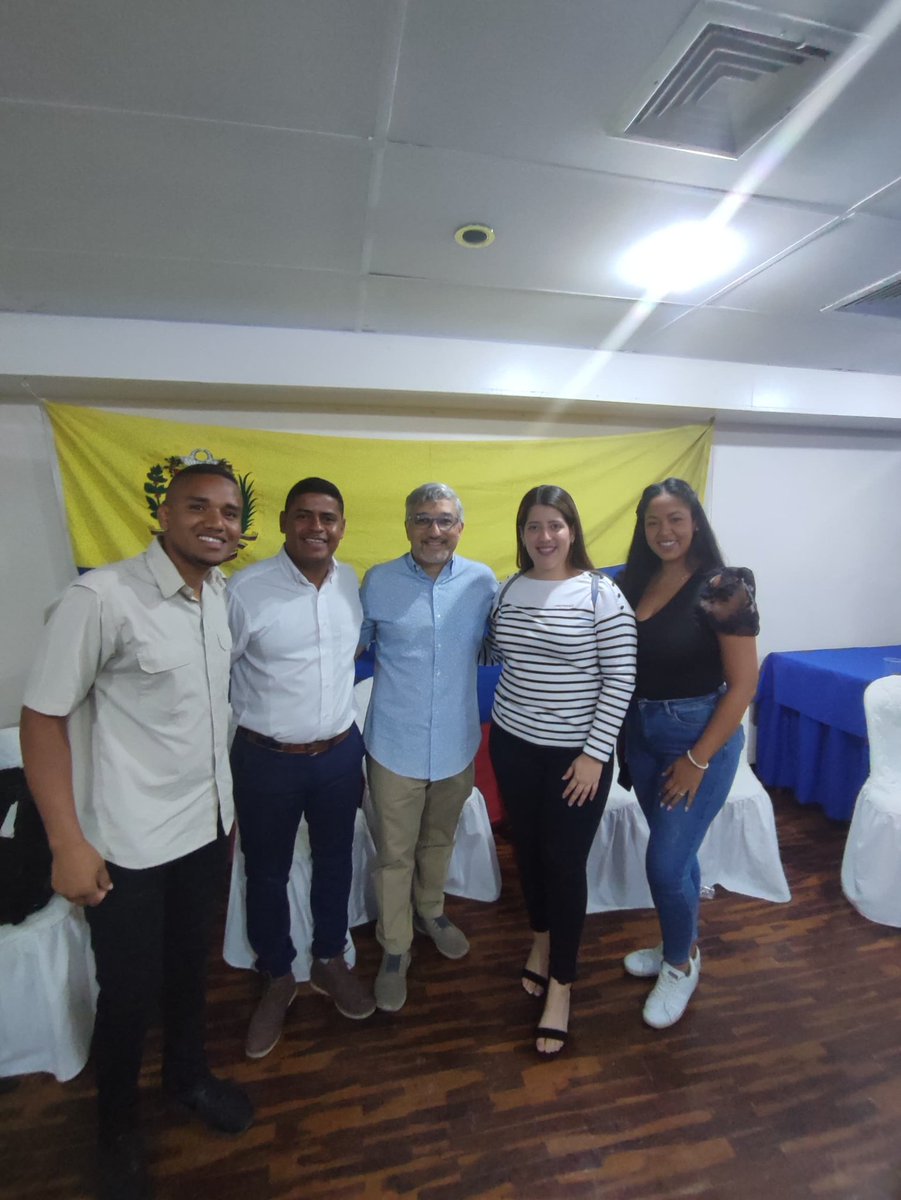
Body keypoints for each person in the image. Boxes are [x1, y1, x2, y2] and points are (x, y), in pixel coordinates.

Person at [19, 463, 253, 1200]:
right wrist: (66, 842)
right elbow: (42, 718)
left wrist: (228, 813)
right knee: (126, 993)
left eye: (229, 511)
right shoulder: (101, 597)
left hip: (204, 829)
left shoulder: (217, 596)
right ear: (164, 514)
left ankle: (187, 1079)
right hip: (126, 842)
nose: (216, 522)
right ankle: (115, 1130)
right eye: (199, 507)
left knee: (190, 972)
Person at [228, 476, 374, 1060]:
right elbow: (218, 673)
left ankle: (329, 958)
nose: (318, 527)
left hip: (339, 753)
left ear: (341, 525)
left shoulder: (353, 583)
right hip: (267, 759)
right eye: (307, 516)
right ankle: (276, 974)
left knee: (337, 859)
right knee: (265, 870)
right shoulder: (246, 590)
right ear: (286, 521)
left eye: (329, 517)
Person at [487, 485, 636, 1054]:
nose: (543, 537)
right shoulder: (510, 587)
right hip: (512, 745)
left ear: (572, 530)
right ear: (522, 534)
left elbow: (621, 679)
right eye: (532, 526)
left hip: (576, 758)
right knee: (527, 853)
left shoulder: (601, 594)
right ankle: (540, 941)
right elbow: (499, 655)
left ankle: (563, 984)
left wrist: (596, 755)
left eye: (554, 525)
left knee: (564, 863)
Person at [617, 478, 759, 1030]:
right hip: (644, 738)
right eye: (653, 522)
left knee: (666, 863)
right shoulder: (634, 581)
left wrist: (697, 759)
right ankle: (681, 942)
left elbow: (744, 685)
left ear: (695, 520)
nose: (664, 531)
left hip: (696, 739)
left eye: (675, 518)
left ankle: (680, 963)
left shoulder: (724, 585)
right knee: (677, 856)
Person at [360, 483, 496, 1012]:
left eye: (444, 520)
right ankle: (396, 947)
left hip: (456, 744)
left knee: (438, 842)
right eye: (422, 519)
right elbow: (352, 645)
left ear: (460, 527)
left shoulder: (484, 582)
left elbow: (496, 645)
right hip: (393, 744)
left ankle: (431, 910)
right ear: (407, 526)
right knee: (394, 854)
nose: (433, 531)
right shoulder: (378, 581)